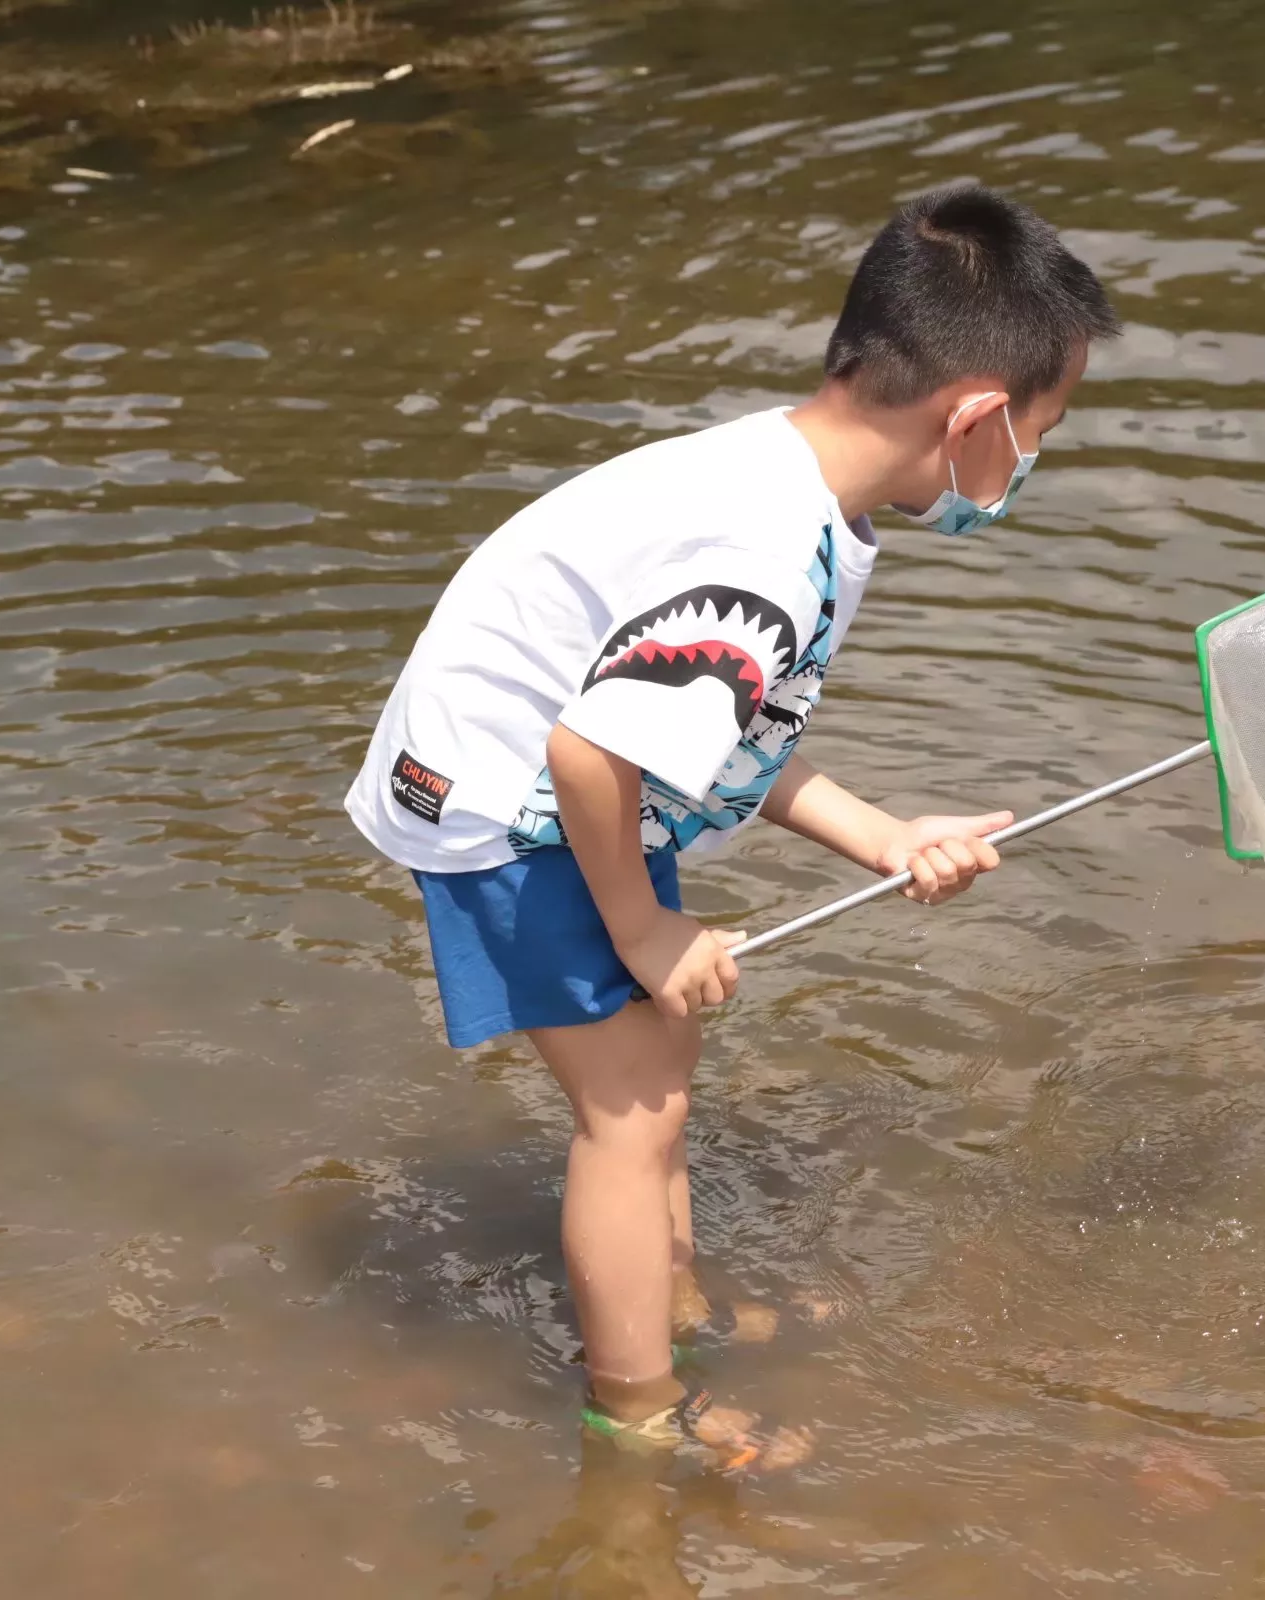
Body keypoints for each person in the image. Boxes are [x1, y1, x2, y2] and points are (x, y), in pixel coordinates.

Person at [345, 183, 1120, 1465]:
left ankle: (674, 1309)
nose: (1031, 462)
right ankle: (639, 1413)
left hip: (570, 783)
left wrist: (881, 836)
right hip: (507, 798)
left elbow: (719, 726)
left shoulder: (793, 480)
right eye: (1043, 430)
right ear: (975, 418)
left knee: (662, 1059)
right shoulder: (761, 552)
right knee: (631, 1111)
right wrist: (642, 927)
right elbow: (591, 749)